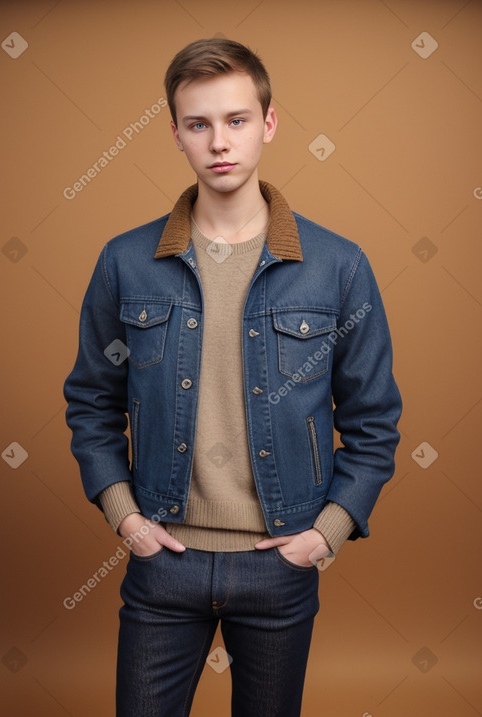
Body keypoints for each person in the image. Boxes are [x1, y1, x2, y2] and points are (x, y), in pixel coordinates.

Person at [63, 37, 402, 717]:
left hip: (280, 563)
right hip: (163, 559)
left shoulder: (338, 266)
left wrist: (326, 533)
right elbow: (91, 403)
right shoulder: (125, 261)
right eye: (199, 124)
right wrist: (126, 519)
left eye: (237, 120)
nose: (220, 141)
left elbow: (374, 422)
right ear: (177, 135)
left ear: (269, 124)